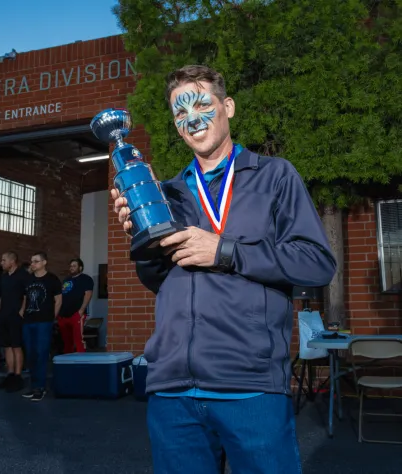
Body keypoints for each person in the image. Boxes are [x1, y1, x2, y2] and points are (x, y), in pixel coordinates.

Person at [111, 65, 337, 474]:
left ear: (227, 107)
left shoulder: (274, 176)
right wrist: (141, 239)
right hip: (172, 391)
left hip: (249, 387)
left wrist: (225, 250)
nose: (192, 120)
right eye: (181, 114)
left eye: (202, 104)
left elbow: (316, 263)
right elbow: (163, 281)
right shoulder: (170, 193)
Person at [22, 252, 62, 402]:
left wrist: (52, 318)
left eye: (36, 261)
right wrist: (22, 313)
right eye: (32, 261)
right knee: (31, 354)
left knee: (41, 353)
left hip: (44, 322)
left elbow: (58, 300)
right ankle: (33, 386)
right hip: (28, 321)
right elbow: (25, 298)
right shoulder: (28, 279)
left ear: (44, 262)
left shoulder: (52, 279)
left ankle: (40, 387)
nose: (33, 264)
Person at [0, 251, 29, 392]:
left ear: (12, 261)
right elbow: (2, 296)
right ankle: (10, 375)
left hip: (16, 316)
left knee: (16, 345)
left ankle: (18, 376)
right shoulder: (4, 277)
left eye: (4, 260)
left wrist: (21, 311)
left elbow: (27, 295)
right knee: (7, 346)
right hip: (4, 315)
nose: (1, 263)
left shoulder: (23, 275)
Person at [57, 258, 94, 354]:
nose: (71, 268)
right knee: (66, 341)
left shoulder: (86, 279)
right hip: (63, 315)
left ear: (80, 268)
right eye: (70, 266)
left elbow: (88, 294)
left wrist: (81, 310)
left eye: (74, 266)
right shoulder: (66, 280)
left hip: (76, 314)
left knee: (78, 340)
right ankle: (67, 363)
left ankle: (81, 362)